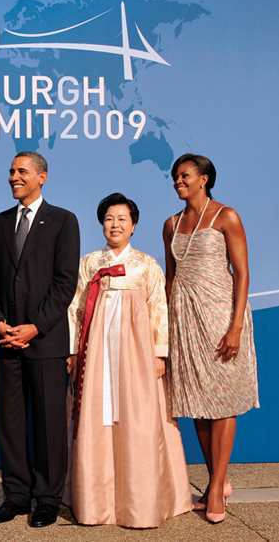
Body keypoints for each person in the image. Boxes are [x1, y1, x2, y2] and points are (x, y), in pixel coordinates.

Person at [67, 193, 192, 529]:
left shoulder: (147, 265)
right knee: (98, 415)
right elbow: (77, 308)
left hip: (136, 353)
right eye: (109, 218)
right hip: (95, 355)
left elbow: (159, 310)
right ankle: (96, 501)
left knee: (138, 417)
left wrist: (159, 354)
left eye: (122, 219)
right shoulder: (90, 263)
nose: (115, 225)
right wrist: (74, 351)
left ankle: (141, 501)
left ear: (134, 225)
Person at [0, 151, 80, 528]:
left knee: (48, 423)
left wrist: (34, 327)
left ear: (42, 176)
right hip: (6, 340)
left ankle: (47, 499)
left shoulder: (63, 221)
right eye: (10, 171)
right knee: (10, 422)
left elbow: (65, 282)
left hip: (46, 341)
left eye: (21, 171)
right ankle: (16, 496)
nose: (13, 177)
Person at [163, 154, 259, 524]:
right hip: (185, 321)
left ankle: (216, 486)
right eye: (175, 177)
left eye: (184, 175)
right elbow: (171, 280)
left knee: (223, 400)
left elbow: (243, 272)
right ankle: (217, 479)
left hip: (221, 317)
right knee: (198, 405)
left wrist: (235, 326)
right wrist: (168, 326)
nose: (177, 181)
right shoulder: (171, 225)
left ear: (203, 179)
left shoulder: (226, 216)